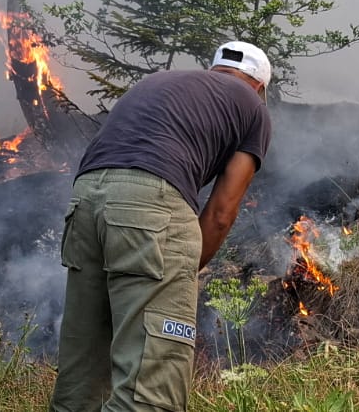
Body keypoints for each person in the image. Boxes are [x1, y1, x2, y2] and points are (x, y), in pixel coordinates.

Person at [50, 41, 273, 412]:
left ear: (213, 69)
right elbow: (221, 212)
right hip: (150, 207)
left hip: (86, 200)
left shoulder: (160, 81)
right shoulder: (254, 108)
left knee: (82, 372)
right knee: (150, 389)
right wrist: (181, 273)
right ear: (261, 87)